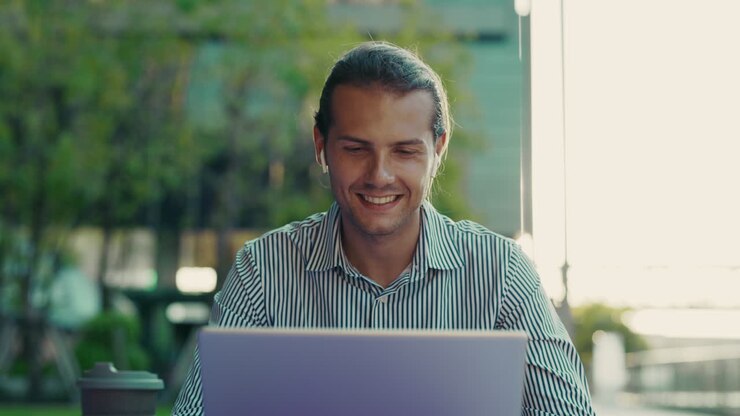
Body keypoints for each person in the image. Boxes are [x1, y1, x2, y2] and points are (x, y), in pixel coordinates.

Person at [173, 41, 595, 415]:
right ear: (321, 147)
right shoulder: (263, 271)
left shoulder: (501, 272)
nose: (380, 175)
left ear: (438, 150)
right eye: (356, 149)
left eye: (405, 151)